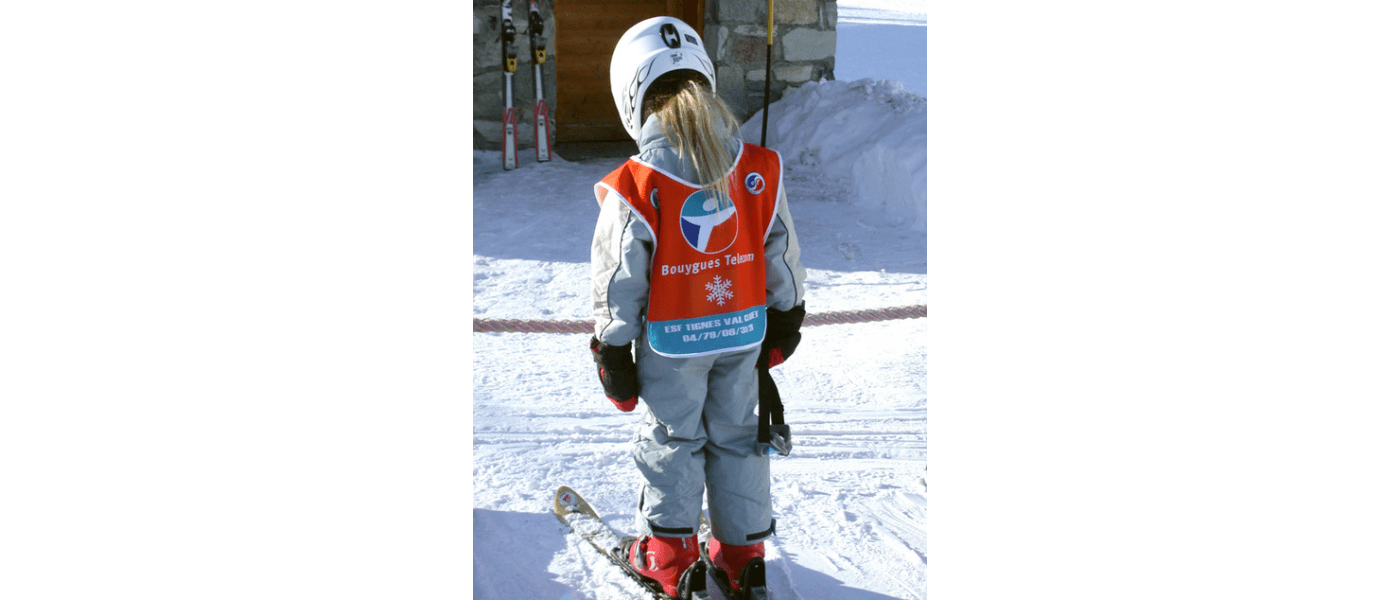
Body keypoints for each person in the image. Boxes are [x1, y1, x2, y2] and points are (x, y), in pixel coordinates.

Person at [587, 16, 807, 599]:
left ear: (631, 93)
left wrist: (613, 349)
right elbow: (781, 250)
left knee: (672, 439)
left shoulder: (637, 183)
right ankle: (742, 558)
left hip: (674, 345)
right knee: (739, 436)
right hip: (742, 333)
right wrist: (787, 315)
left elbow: (618, 279)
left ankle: (668, 557)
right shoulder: (758, 169)